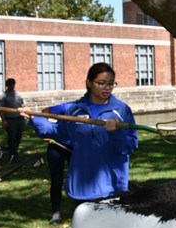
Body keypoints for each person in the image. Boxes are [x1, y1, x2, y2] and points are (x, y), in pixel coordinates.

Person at [21, 63, 139, 203]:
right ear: (89, 82)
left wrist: (115, 134)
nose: (107, 88)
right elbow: (57, 132)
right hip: (81, 187)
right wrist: (34, 118)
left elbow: (130, 146)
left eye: (111, 84)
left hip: (111, 187)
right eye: (101, 83)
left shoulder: (121, 111)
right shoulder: (76, 110)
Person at [0, 78, 25, 163]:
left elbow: (22, 106)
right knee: (12, 138)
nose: (11, 86)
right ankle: (13, 157)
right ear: (6, 85)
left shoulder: (18, 94)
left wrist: (24, 117)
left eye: (12, 84)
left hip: (19, 119)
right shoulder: (3, 96)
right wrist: (4, 120)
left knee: (18, 137)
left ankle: (14, 153)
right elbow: (1, 109)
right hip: (10, 119)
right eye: (9, 84)